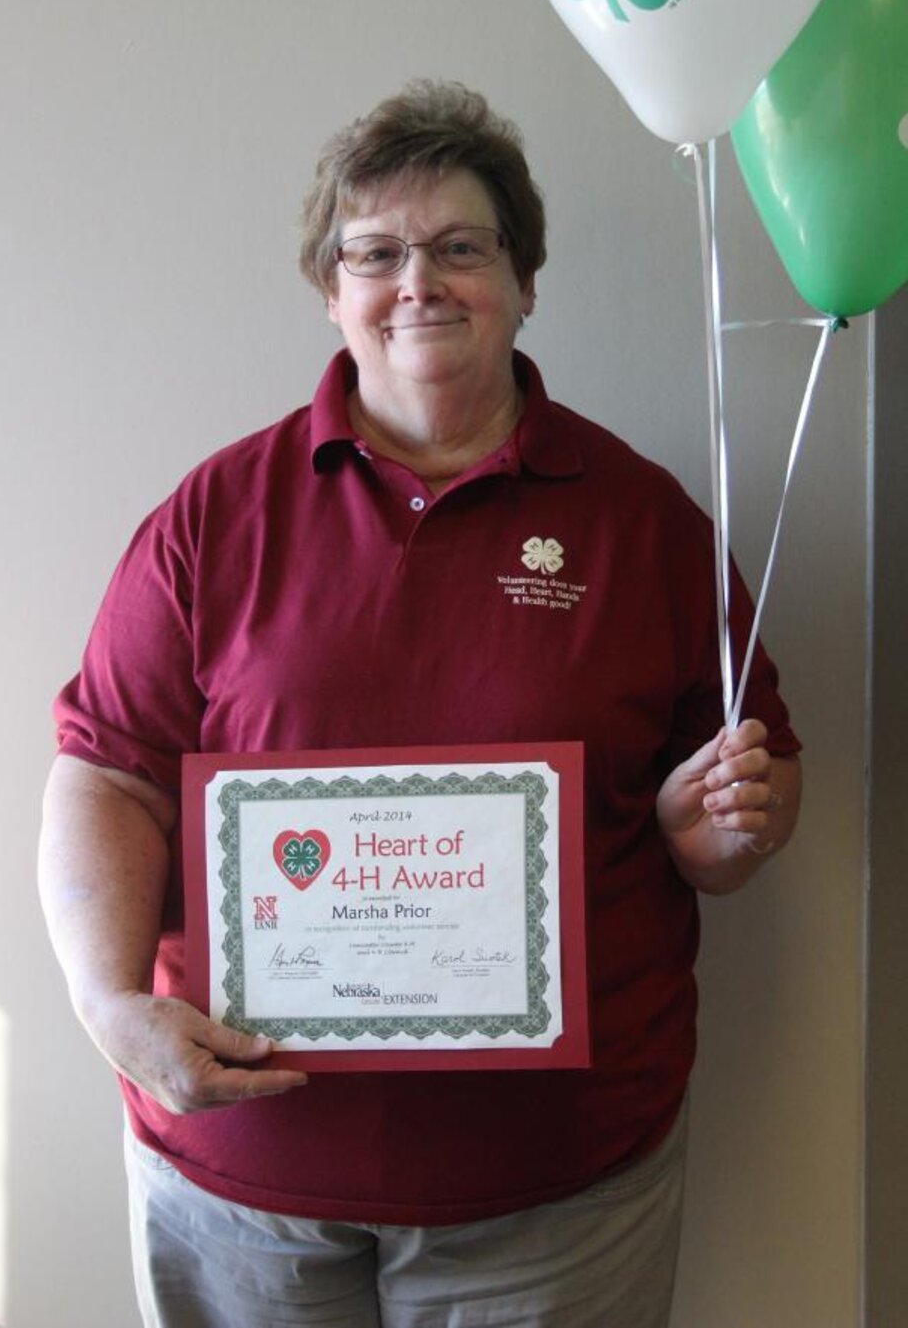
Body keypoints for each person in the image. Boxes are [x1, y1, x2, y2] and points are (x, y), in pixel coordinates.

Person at [39, 81, 802, 1328]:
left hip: (554, 1194)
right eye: (376, 252)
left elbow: (740, 812)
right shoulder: (214, 516)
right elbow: (108, 770)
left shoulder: (643, 518)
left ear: (523, 279)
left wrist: (717, 826)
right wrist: (107, 1002)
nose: (419, 282)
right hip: (246, 1188)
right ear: (329, 291)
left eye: (463, 246)